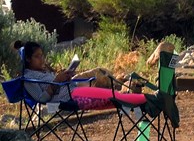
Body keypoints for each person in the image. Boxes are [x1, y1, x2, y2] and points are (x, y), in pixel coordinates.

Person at [14, 40, 146, 111]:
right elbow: (41, 99)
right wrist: (56, 82)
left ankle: (138, 96)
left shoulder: (42, 72)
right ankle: (140, 97)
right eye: (37, 56)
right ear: (27, 59)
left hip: (75, 92)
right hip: (68, 99)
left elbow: (58, 84)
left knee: (113, 96)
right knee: (115, 97)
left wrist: (66, 77)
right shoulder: (28, 78)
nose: (41, 59)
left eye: (42, 55)